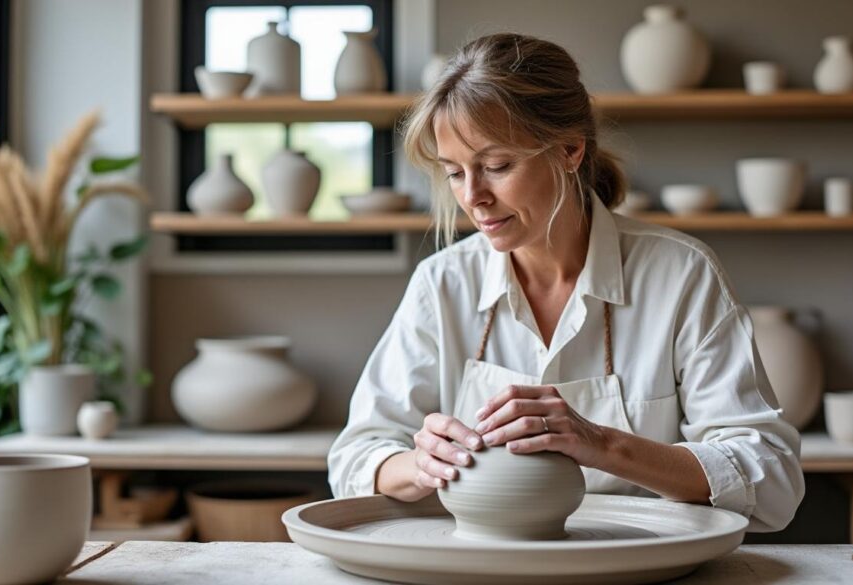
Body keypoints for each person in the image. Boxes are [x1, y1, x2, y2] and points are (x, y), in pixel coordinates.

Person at [328, 33, 804, 532]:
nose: (473, 197)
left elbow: (772, 478)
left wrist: (602, 444)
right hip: (484, 559)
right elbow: (356, 455)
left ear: (570, 150)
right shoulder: (443, 283)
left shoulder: (681, 274)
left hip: (636, 560)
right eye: (455, 173)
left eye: (496, 166)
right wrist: (419, 465)